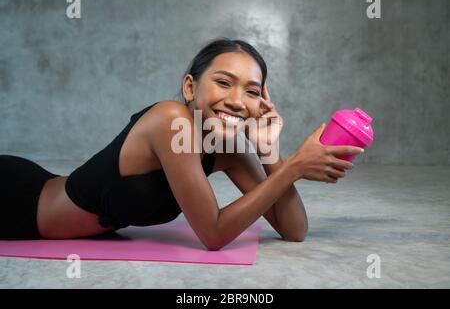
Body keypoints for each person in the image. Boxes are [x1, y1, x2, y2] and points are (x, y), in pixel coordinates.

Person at [0, 38, 362, 250]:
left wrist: (270, 152)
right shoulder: (170, 120)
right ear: (191, 87)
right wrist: (296, 167)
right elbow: (214, 233)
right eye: (224, 83)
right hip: (14, 200)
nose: (237, 101)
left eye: (252, 91)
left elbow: (294, 230)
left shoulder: (230, 150)